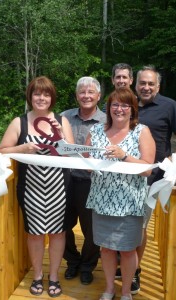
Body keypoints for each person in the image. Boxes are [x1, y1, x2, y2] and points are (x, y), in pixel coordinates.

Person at [0, 76, 74, 297]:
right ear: (30, 96)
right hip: (31, 189)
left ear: (52, 97)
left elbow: (72, 153)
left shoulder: (62, 120)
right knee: (35, 234)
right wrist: (23, 147)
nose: (42, 98)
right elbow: (2, 149)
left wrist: (61, 136)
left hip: (59, 188)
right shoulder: (19, 122)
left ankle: (54, 277)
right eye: (37, 93)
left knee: (58, 233)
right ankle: (38, 276)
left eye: (46, 94)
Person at [85, 87, 156, 300]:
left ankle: (126, 292)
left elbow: (147, 168)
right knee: (106, 249)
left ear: (133, 109)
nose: (119, 109)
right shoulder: (96, 131)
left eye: (125, 105)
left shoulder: (142, 131)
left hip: (130, 202)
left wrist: (124, 156)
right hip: (101, 201)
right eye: (115, 104)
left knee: (127, 250)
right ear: (108, 108)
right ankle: (108, 289)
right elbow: (86, 163)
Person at [130, 65, 176, 293]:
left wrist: (174, 163)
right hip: (124, 175)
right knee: (123, 221)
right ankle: (124, 262)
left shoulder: (169, 106)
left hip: (152, 178)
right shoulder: (128, 104)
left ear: (158, 86)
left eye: (150, 84)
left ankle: (135, 271)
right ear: (135, 85)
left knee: (139, 226)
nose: (146, 87)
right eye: (142, 83)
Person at [61, 76, 106, 284]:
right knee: (61, 225)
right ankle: (72, 261)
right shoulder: (63, 117)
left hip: (92, 183)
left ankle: (88, 265)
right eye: (82, 92)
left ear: (98, 96)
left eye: (91, 92)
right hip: (64, 180)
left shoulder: (108, 120)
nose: (86, 96)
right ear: (76, 95)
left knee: (92, 229)